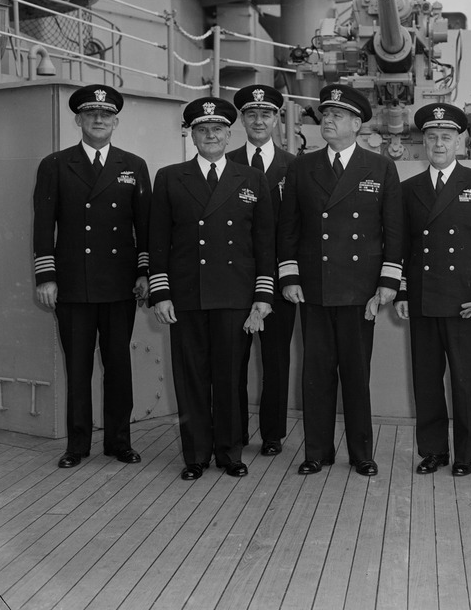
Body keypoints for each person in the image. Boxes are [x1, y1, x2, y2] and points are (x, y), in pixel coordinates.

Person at [277, 83, 403, 477]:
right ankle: (317, 451)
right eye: (324, 115)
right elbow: (289, 229)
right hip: (313, 286)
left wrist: (387, 283)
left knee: (355, 373)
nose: (327, 122)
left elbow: (393, 230)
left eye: (336, 116)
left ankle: (361, 453)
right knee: (315, 373)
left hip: (359, 290)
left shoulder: (380, 167)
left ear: (356, 123)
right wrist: (289, 275)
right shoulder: (302, 167)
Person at [149, 97, 275, 480]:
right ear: (191, 135)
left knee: (229, 377)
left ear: (228, 133)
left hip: (235, 295)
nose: (210, 136)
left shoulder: (251, 179)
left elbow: (264, 241)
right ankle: (196, 455)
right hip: (187, 295)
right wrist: (161, 292)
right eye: (202, 130)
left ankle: (229, 453)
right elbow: (158, 240)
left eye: (217, 129)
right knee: (191, 378)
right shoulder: (170, 177)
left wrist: (263, 297)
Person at [33, 85, 151, 469]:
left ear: (115, 121)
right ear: (78, 120)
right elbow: (43, 226)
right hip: (72, 284)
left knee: (118, 366)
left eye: (105, 115)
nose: (98, 120)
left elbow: (144, 227)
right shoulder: (55, 164)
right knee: (78, 368)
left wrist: (144, 272)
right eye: (90, 115)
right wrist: (46, 277)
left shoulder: (133, 165)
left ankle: (119, 442)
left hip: (119, 284)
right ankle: (77, 445)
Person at [395, 103, 471, 477]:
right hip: (423, 298)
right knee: (426, 380)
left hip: (466, 300)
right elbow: (402, 245)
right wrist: (404, 291)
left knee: (465, 381)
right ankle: (433, 450)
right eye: (432, 137)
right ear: (423, 141)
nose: (439, 144)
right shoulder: (409, 189)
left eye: (446, 137)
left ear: (461, 140)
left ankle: (464, 455)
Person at [227, 85, 297, 456]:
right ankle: (235, 430)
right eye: (251, 114)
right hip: (238, 279)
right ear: (241, 119)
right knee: (234, 359)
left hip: (282, 281)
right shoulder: (226, 163)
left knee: (276, 359)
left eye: (266, 114)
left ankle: (272, 433)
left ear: (276, 119)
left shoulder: (295, 166)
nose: (258, 121)